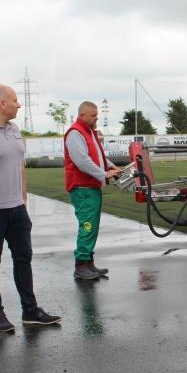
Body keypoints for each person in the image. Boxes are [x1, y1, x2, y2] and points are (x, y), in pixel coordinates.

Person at [0, 85, 62, 333]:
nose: (19, 105)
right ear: (1, 103)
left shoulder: (14, 129)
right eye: (15, 101)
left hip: (16, 208)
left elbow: (20, 166)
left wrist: (23, 196)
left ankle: (30, 311)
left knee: (23, 258)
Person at [64, 101, 120, 280]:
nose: (97, 118)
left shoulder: (88, 132)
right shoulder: (75, 133)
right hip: (82, 188)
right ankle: (81, 265)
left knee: (92, 226)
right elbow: (82, 161)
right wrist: (105, 174)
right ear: (82, 116)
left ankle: (88, 263)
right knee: (87, 226)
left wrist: (113, 167)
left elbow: (99, 157)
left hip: (91, 188)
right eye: (94, 115)